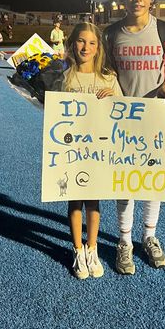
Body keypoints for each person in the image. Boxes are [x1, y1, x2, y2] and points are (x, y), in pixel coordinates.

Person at [103, 0, 165, 275]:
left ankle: (148, 237)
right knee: (124, 182)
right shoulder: (110, 33)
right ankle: (124, 242)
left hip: (155, 117)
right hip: (122, 118)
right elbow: (105, 72)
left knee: (152, 181)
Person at [61, 22, 123, 279]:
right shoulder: (65, 76)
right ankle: (77, 249)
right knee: (74, 200)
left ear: (99, 48)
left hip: (98, 150)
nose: (85, 47)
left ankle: (92, 247)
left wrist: (114, 98)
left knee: (94, 202)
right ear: (73, 43)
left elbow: (122, 113)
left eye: (91, 43)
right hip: (72, 150)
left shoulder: (109, 77)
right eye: (81, 41)